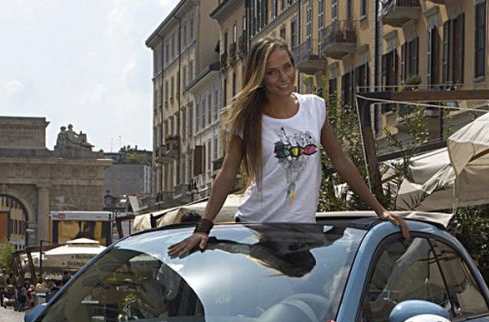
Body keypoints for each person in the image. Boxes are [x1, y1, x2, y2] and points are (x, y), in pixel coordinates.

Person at [167, 36, 406, 259]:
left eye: (287, 67)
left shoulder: (314, 107)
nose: (283, 78)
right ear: (260, 77)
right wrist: (204, 226)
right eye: (272, 72)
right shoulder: (248, 119)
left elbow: (340, 160)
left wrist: (379, 210)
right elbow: (227, 173)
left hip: (301, 232)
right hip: (255, 229)